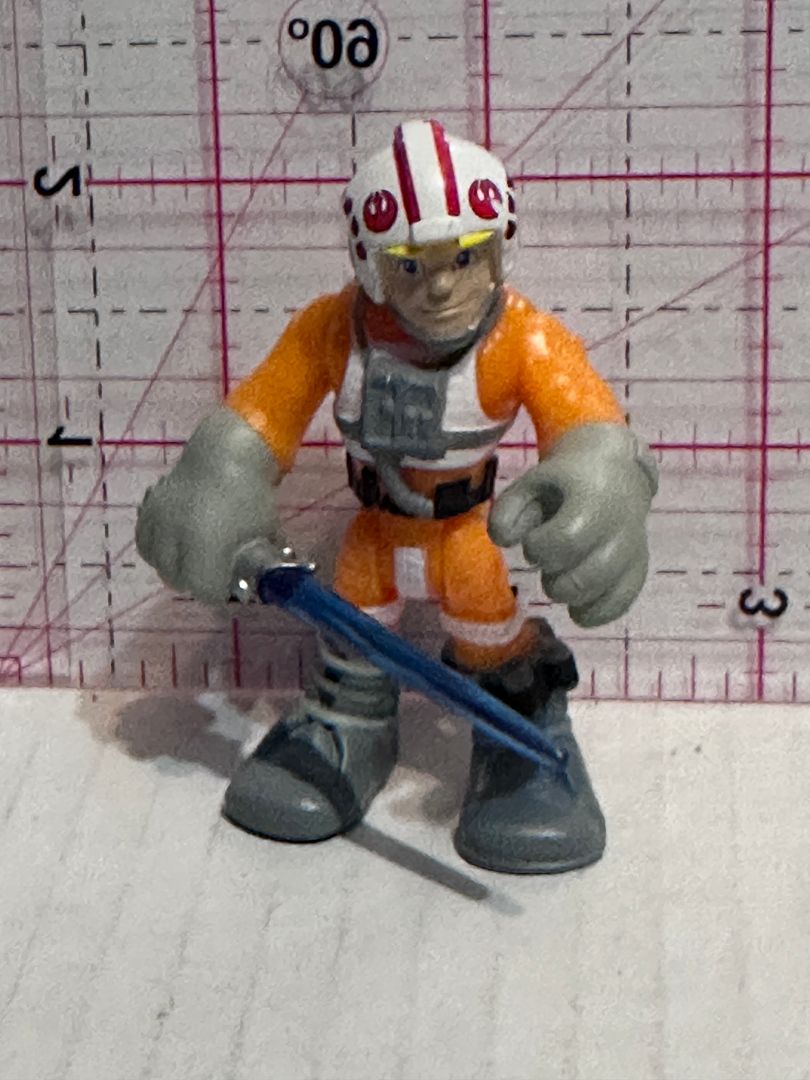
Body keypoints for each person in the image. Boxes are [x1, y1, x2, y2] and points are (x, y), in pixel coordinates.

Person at [136, 119, 657, 874]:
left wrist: (605, 474)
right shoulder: (334, 330)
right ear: (372, 265)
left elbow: (587, 420)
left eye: (465, 257)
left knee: (489, 630)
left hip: (468, 533)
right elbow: (265, 407)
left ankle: (518, 729)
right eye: (410, 266)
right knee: (354, 628)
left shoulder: (522, 338)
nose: (440, 287)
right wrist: (222, 466)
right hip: (375, 530)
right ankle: (348, 722)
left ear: (499, 248)